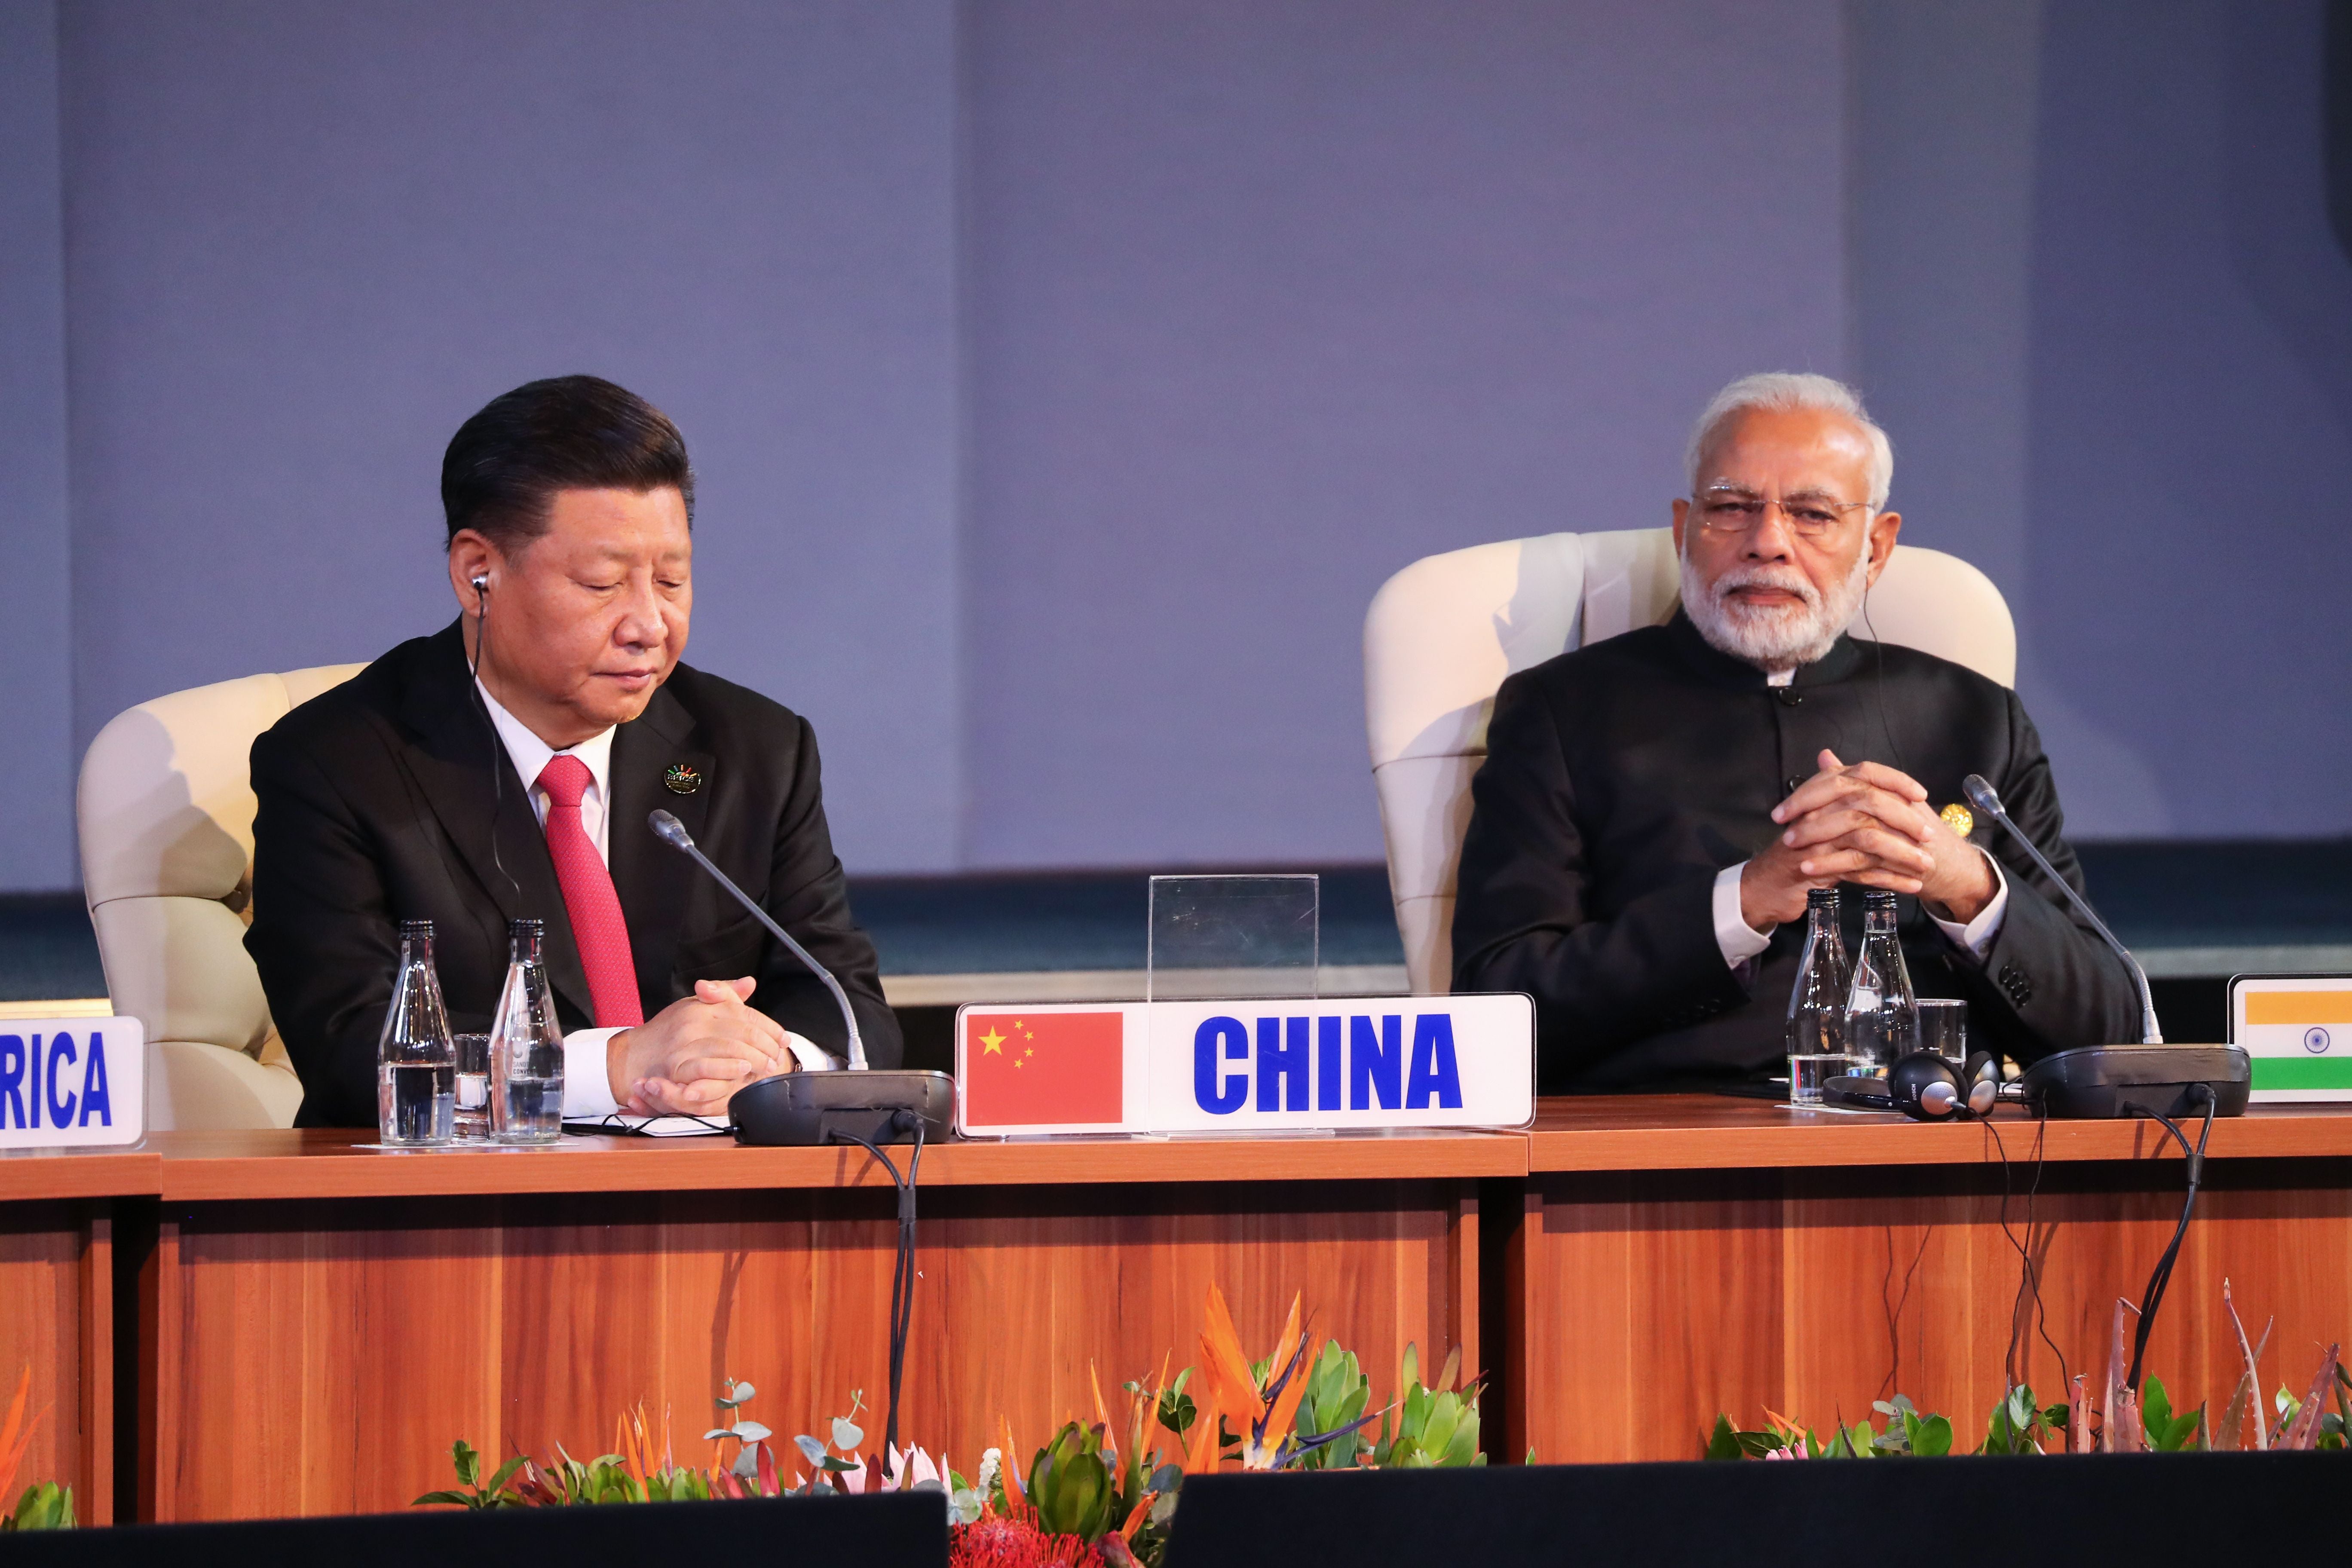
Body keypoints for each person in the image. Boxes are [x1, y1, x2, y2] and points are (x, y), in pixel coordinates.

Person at [1450, 372, 2141, 1091]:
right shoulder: (1563, 712)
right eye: (1732, 507)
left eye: (1812, 514)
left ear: (1876, 548)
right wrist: (1743, 902)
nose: (1767, 543)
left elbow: (2110, 1034)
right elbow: (1495, 1017)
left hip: (1933, 1161)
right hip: (1660, 1161)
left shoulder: (1976, 719)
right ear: (1685, 529)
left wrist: (1964, 884)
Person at [247, 375, 900, 1127]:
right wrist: (619, 1066)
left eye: (671, 579)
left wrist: (768, 1064)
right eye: (602, 584)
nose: (650, 625)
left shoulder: (755, 748)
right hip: (459, 1220)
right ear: (476, 573)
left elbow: (851, 1012)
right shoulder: (337, 765)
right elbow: (352, 1053)